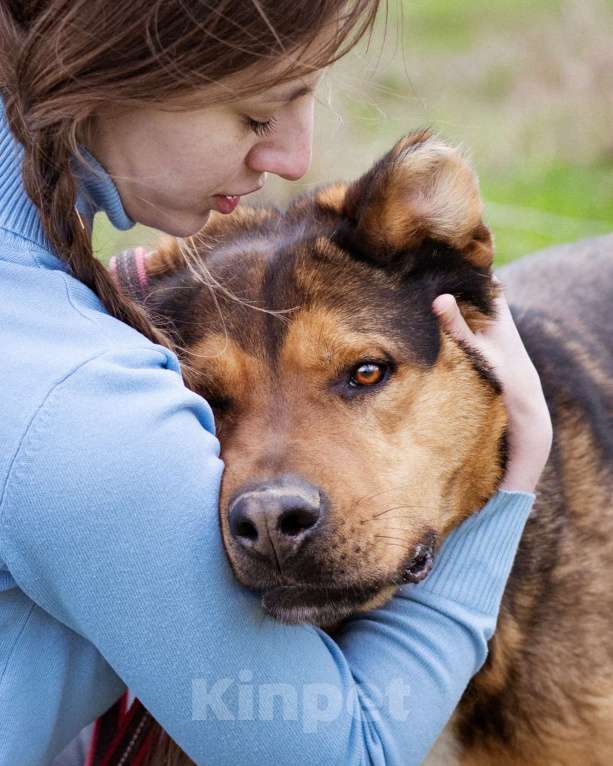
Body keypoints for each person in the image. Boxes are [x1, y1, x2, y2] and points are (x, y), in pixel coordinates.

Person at [0, 2, 552, 765]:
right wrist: (519, 466)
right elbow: (342, 753)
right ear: (108, 64)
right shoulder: (78, 399)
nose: (295, 158)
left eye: (361, 374)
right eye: (255, 114)